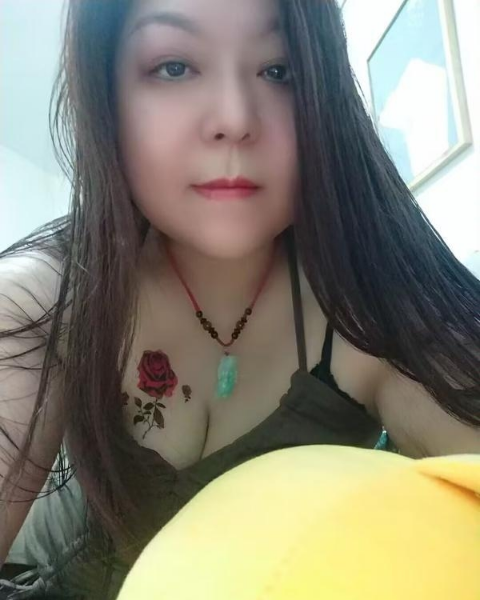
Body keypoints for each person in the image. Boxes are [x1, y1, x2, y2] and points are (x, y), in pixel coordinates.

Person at [0, 0, 478, 597]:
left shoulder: (373, 313)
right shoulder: (48, 295)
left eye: (280, 71)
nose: (234, 118)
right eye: (174, 67)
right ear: (107, 95)